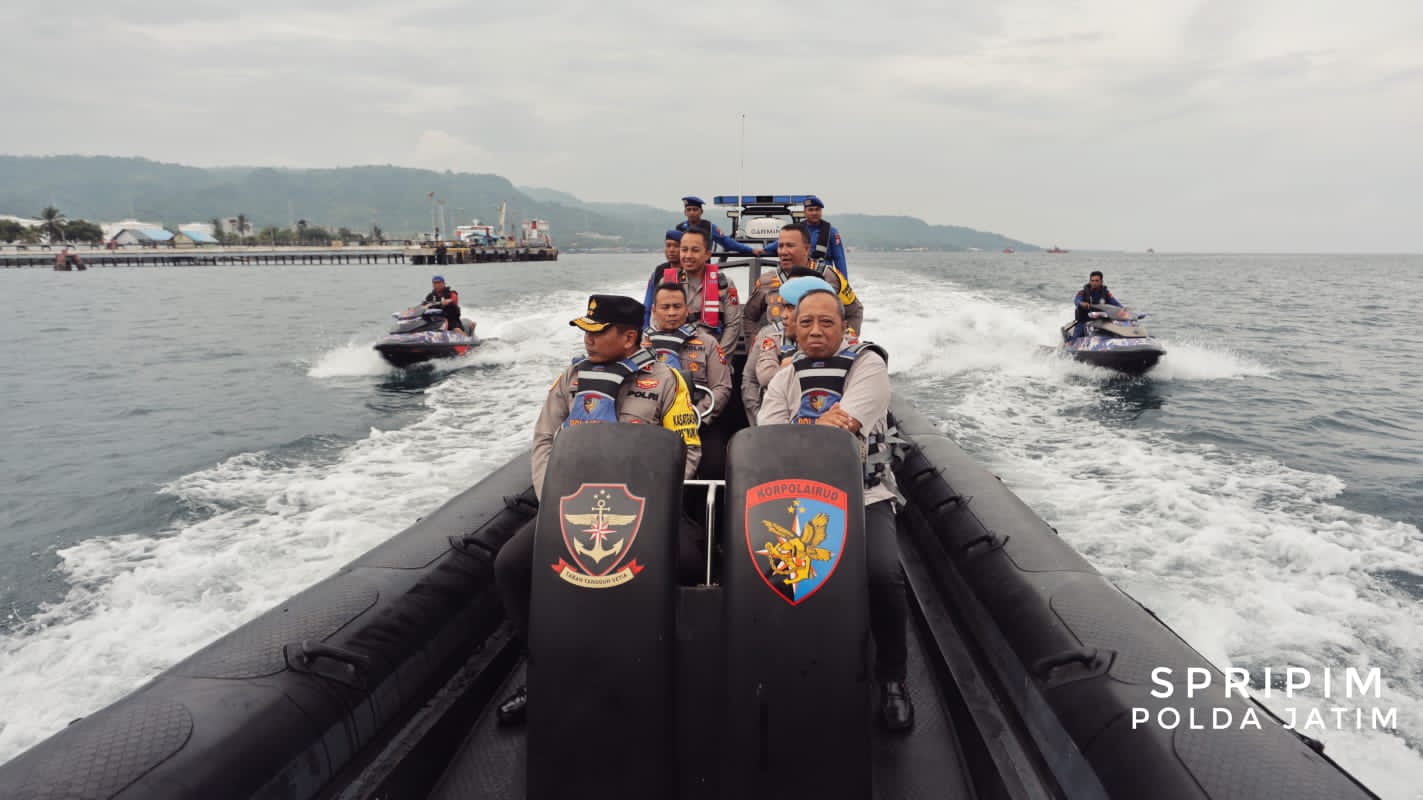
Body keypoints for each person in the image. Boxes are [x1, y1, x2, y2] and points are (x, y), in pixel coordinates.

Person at [494, 294, 704, 725]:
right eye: (586, 332)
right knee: (511, 566)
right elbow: (544, 439)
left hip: (646, 508)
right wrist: (552, 500)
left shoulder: (666, 381)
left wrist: (653, 502)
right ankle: (541, 669)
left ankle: (661, 664)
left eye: (598, 331)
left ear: (629, 337)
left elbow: (689, 450)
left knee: (688, 563)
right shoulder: (571, 378)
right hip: (572, 508)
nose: (588, 340)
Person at [757, 281, 913, 732]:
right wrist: (807, 430)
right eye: (805, 322)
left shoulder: (868, 366)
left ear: (845, 327)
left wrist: (801, 430)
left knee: (882, 575)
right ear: (792, 327)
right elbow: (769, 435)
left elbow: (845, 424)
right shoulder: (786, 376)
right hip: (799, 499)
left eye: (827, 321)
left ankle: (893, 679)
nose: (816, 330)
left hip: (866, 495)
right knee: (778, 576)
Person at [742, 222, 863, 342]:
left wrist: (844, 343)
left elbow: (854, 311)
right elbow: (749, 317)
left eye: (790, 246)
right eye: (780, 246)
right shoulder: (766, 281)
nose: (783, 251)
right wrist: (756, 345)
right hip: (777, 351)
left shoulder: (830, 276)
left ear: (806, 249)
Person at [645, 283, 733, 426]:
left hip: (695, 418)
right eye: (665, 307)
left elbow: (721, 388)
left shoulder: (708, 343)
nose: (672, 313)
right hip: (649, 423)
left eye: (677, 306)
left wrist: (694, 416)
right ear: (654, 311)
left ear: (686, 310)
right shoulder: (640, 344)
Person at [652, 227, 744, 356]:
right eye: (684, 250)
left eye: (695, 250)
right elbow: (655, 321)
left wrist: (719, 357)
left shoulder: (724, 284)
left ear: (707, 254)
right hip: (674, 354)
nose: (688, 255)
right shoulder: (665, 282)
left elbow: (733, 325)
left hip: (711, 354)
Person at [741, 281, 798, 424]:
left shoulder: (840, 345)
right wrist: (759, 421)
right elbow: (751, 380)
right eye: (784, 307)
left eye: (791, 307)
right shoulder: (770, 336)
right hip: (771, 425)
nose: (783, 315)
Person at [759, 196, 848, 275]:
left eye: (817, 209)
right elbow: (780, 243)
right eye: (811, 210)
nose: (814, 213)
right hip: (800, 274)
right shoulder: (797, 229)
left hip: (822, 275)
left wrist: (844, 283)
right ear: (805, 212)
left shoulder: (831, 232)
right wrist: (762, 250)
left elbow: (839, 259)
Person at [677, 196, 761, 256]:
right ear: (685, 212)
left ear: (701, 212)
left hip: (703, 267)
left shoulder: (709, 227)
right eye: (689, 210)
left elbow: (727, 242)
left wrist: (751, 250)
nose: (692, 212)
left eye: (695, 209)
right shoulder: (680, 228)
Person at [641, 229, 684, 327]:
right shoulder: (658, 272)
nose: (671, 250)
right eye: (668, 246)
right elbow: (648, 305)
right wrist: (645, 330)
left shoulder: (691, 272)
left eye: (676, 246)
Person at [1071, 270, 1124, 339]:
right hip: (1085, 320)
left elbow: (1116, 304)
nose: (1094, 283)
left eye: (1097, 281)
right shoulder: (1083, 292)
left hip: (1102, 320)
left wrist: (1124, 311)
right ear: (1090, 281)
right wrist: (1081, 303)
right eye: (1092, 281)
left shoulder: (1106, 293)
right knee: (1075, 336)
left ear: (1101, 282)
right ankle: (1070, 341)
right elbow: (1077, 300)